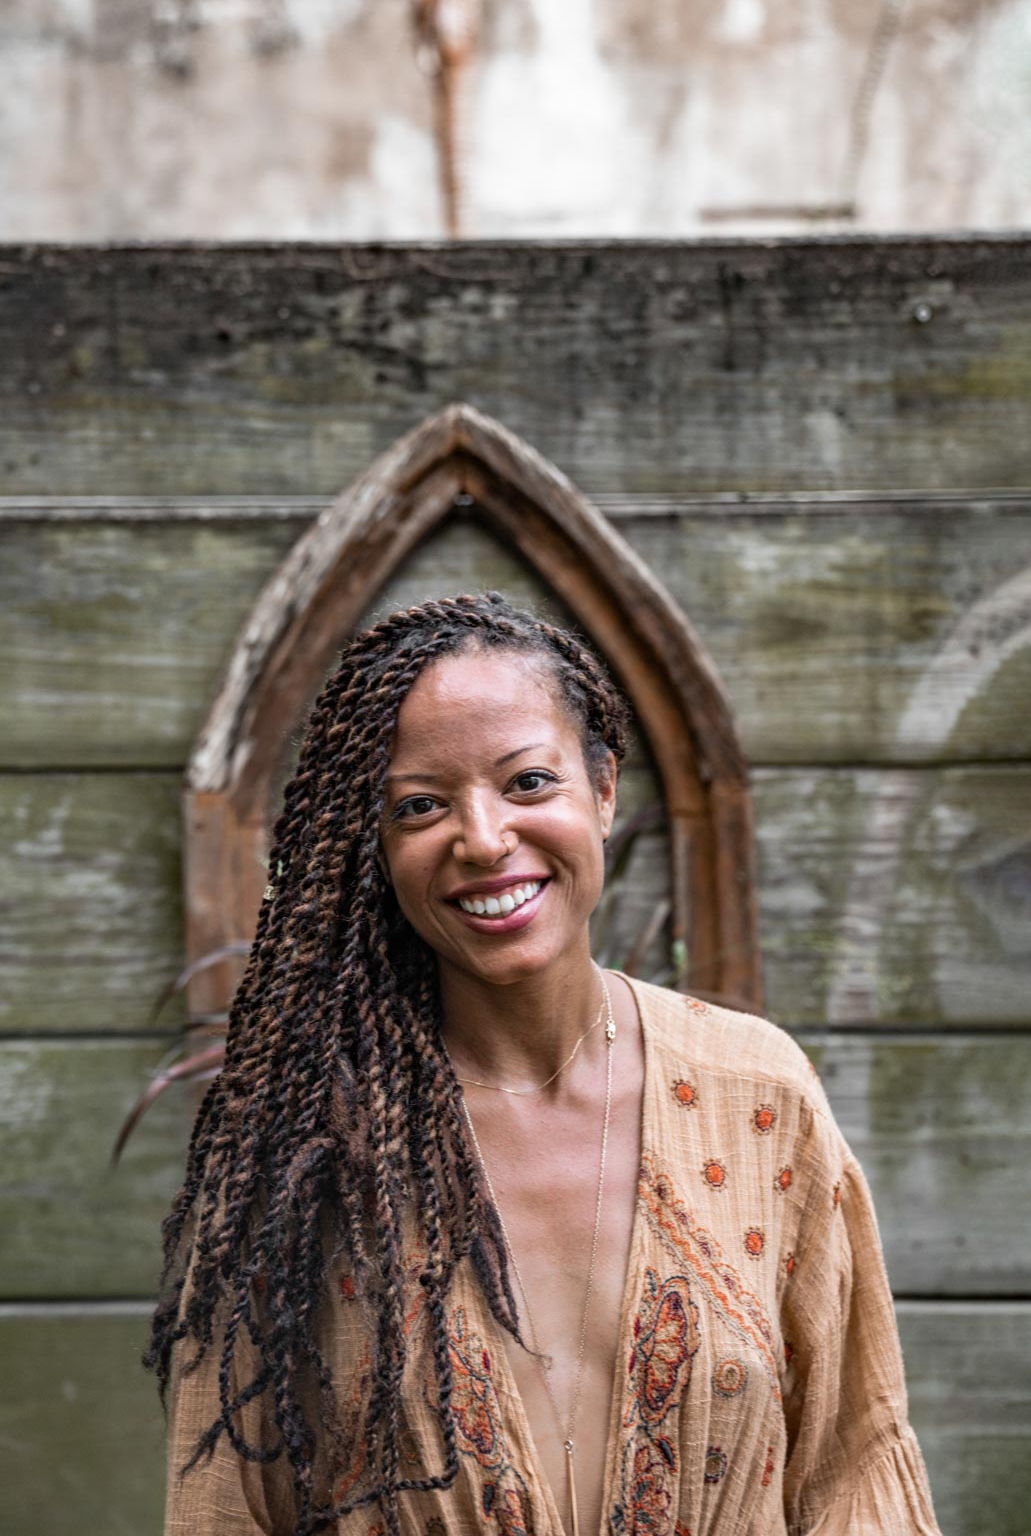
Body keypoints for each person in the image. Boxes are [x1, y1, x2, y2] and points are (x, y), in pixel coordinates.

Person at [150, 589, 943, 1536]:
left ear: (603, 791)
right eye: (419, 805)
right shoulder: (303, 1156)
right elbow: (224, 1512)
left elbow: (854, 1470)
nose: (483, 839)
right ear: (377, 847)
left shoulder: (757, 1095)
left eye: (528, 782)